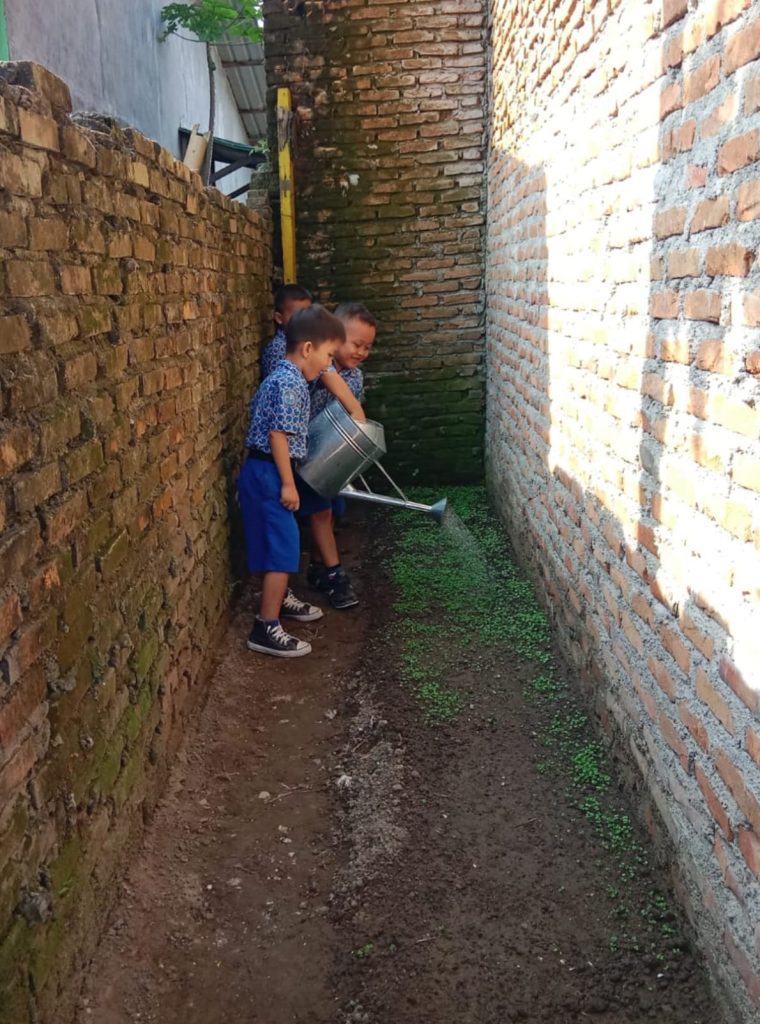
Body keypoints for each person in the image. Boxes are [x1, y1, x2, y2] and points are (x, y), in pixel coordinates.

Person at [239, 305, 344, 657]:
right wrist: (287, 483)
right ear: (308, 348)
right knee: (283, 549)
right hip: (270, 472)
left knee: (276, 543)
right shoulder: (290, 384)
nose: (328, 365)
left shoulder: (287, 378)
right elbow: (278, 436)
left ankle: (279, 599)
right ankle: (265, 627)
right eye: (328, 356)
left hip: (266, 471)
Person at [298, 302, 377, 611]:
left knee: (331, 511)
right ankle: (335, 576)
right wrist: (356, 409)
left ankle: (319, 568)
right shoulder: (319, 365)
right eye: (357, 344)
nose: (362, 352)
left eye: (367, 347)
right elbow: (331, 383)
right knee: (320, 513)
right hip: (304, 454)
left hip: (327, 454)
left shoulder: (355, 377)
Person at [259, 283, 313, 380]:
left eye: (308, 314)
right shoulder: (278, 349)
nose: (304, 320)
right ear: (279, 318)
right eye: (297, 315)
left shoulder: (304, 341)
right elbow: (279, 384)